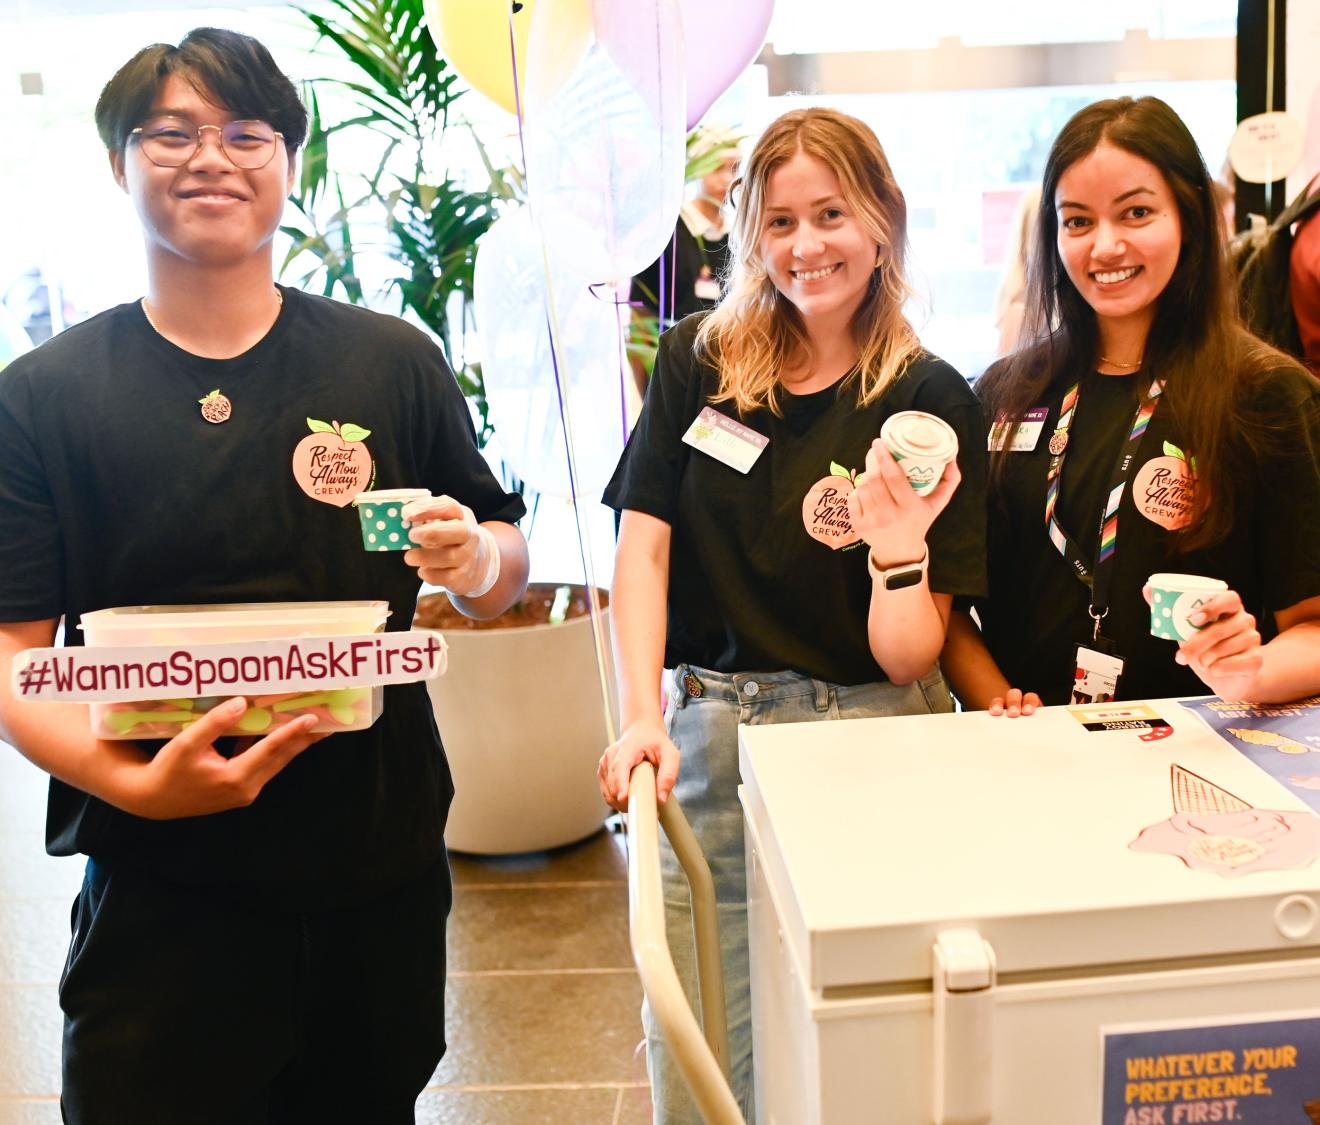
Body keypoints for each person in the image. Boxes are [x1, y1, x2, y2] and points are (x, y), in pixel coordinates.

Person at [0, 28, 529, 1124]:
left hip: (370, 861)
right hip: (160, 889)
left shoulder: (389, 362)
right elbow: (13, 661)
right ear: (117, 164)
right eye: (171, 135)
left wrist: (476, 554)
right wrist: (142, 787)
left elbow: (500, 570)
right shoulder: (43, 397)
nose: (211, 160)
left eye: (246, 133)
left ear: (290, 160)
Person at [598, 107, 987, 1122]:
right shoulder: (699, 362)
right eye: (778, 222)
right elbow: (643, 550)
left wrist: (900, 555)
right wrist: (640, 715)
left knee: (868, 1036)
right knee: (702, 1035)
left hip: (871, 736)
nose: (806, 245)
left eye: (831, 213)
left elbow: (910, 658)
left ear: (884, 221)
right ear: (747, 234)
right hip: (711, 733)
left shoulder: (929, 401)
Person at [941, 96, 1320, 717]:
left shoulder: (1269, 395)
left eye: (1137, 213)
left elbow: (1312, 626)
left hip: (1208, 754)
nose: (1106, 246)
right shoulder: (1007, 395)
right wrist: (998, 707)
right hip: (1031, 758)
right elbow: (949, 606)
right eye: (1078, 221)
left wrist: (1248, 670)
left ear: (1189, 219)